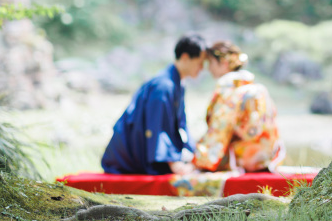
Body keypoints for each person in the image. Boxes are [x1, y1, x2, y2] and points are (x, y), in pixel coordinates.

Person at [101, 34, 207, 175]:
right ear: (185, 58)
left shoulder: (176, 83)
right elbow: (157, 127)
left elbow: (180, 125)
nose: (201, 68)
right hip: (129, 157)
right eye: (200, 62)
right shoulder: (163, 85)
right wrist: (174, 163)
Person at [193, 41, 285, 173]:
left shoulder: (228, 89)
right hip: (268, 157)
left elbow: (219, 128)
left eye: (211, 63)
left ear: (224, 63)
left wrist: (200, 160)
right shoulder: (257, 87)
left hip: (244, 160)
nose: (209, 68)